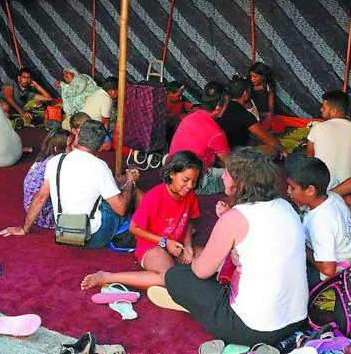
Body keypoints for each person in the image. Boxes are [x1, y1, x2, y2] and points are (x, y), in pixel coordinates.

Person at [150, 147, 307, 347]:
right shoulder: (286, 206)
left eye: (226, 173)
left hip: (252, 330)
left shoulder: (235, 218)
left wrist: (193, 256)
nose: (222, 177)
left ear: (239, 182)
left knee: (176, 276)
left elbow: (200, 271)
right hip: (296, 320)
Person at [0, 120, 139, 249]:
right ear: (102, 146)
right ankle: (139, 231)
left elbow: (41, 197)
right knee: (130, 193)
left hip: (64, 232)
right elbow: (120, 208)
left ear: (77, 138)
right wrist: (130, 181)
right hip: (92, 237)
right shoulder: (100, 167)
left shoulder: (55, 161)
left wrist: (24, 228)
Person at [80, 151, 203, 290]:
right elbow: (134, 228)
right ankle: (106, 277)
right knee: (167, 278)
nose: (190, 185)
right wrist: (165, 242)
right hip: (151, 246)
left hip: (176, 244)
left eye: (194, 181)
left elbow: (187, 222)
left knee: (213, 259)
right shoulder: (154, 197)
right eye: (185, 180)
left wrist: (188, 246)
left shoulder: (190, 196)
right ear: (172, 173)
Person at [287, 157, 351, 287]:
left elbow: (328, 269)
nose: (288, 192)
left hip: (334, 274)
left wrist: (303, 247)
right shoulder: (333, 197)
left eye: (292, 188)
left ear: (310, 190)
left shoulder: (320, 223)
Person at [168, 91, 229, 195]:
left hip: (171, 173)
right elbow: (231, 164)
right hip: (193, 184)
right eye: (226, 105)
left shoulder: (190, 117)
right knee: (240, 176)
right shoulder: (216, 133)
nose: (227, 108)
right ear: (218, 108)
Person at [217, 76, 286, 158]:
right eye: (249, 91)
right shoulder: (242, 113)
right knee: (272, 150)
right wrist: (283, 150)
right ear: (245, 94)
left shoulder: (225, 107)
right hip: (235, 154)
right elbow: (265, 136)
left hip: (225, 150)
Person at [23, 128, 73, 230]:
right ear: (56, 148)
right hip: (42, 212)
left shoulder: (45, 157)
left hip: (30, 205)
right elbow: (41, 198)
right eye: (69, 146)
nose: (72, 148)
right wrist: (25, 228)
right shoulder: (55, 164)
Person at [307, 90, 351, 190]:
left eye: (324, 107)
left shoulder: (317, 128)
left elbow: (310, 157)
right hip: (346, 188)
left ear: (334, 111)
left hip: (322, 187)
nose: (321, 109)